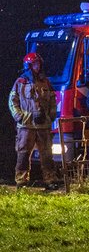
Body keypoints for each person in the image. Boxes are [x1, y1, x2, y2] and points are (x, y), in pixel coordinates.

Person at [9, 53, 57, 188]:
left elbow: (53, 100)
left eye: (39, 63)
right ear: (29, 66)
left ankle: (50, 180)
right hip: (26, 126)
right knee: (23, 154)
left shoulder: (45, 82)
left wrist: (51, 115)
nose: (38, 66)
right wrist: (20, 117)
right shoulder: (20, 82)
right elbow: (12, 101)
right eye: (35, 64)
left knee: (47, 154)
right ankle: (22, 181)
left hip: (43, 125)